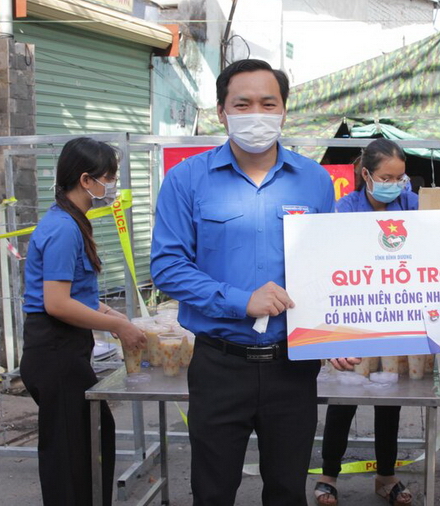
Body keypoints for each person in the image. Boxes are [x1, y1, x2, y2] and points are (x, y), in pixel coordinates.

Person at [150, 59, 358, 506]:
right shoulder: (186, 179)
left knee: (287, 490)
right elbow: (167, 266)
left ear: (284, 110)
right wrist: (241, 300)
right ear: (221, 112)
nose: (256, 114)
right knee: (212, 491)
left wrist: (336, 332)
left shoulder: (315, 180)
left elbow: (327, 265)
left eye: (268, 103)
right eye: (242, 104)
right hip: (219, 364)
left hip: (293, 367)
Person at [20, 137, 147, 506]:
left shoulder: (72, 222)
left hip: (64, 349)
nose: (113, 186)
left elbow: (73, 294)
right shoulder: (63, 228)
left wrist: (112, 315)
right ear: (86, 180)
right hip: (55, 351)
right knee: (70, 457)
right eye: (109, 178)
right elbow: (57, 303)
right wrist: (118, 327)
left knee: (91, 438)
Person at [315, 138, 416, 506]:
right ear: (366, 174)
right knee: (344, 397)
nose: (395, 185)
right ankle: (328, 475)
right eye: (386, 178)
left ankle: (386, 476)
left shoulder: (413, 206)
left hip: (396, 314)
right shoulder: (343, 210)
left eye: (400, 178)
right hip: (353, 316)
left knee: (390, 400)